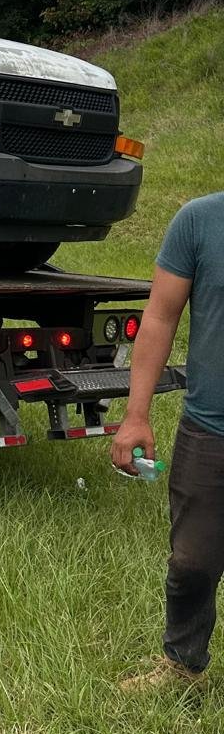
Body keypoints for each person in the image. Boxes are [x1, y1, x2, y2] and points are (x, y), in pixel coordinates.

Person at [112, 192, 224, 688]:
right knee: (192, 562)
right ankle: (182, 666)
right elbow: (159, 317)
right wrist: (136, 415)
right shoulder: (199, 221)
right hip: (210, 428)